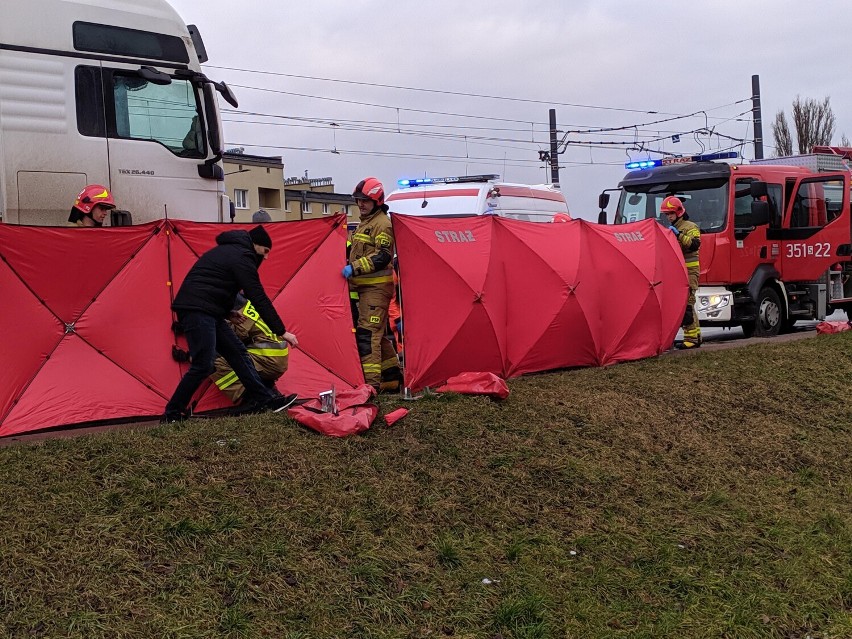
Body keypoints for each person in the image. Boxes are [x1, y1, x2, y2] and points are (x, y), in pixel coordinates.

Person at [162, 225, 298, 422]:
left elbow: (218, 285)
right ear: (255, 245)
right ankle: (171, 414)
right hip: (198, 310)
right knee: (203, 364)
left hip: (208, 310)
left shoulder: (232, 251)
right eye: (265, 251)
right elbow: (257, 296)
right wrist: (281, 331)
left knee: (237, 353)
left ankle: (264, 400)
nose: (266, 257)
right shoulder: (243, 256)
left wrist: (227, 313)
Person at [342, 177, 399, 392]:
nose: (360, 204)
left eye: (365, 200)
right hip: (364, 288)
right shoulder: (366, 222)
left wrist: (354, 267)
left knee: (368, 335)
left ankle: (371, 385)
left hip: (376, 289)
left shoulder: (382, 224)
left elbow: (382, 257)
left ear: (376, 201)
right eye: (358, 200)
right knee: (376, 334)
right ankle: (392, 378)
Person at [210, 295, 294, 406]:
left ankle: (248, 399)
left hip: (268, 358)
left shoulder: (239, 313)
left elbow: (229, 337)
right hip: (274, 355)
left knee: (211, 356)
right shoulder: (248, 304)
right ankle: (268, 387)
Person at [662, 195, 702, 349]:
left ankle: (691, 340)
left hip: (690, 271)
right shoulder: (673, 228)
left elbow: (695, 244)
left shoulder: (689, 227)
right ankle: (696, 336)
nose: (669, 217)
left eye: (670, 214)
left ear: (679, 212)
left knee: (687, 305)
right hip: (680, 272)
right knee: (688, 305)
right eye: (667, 215)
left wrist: (678, 235)